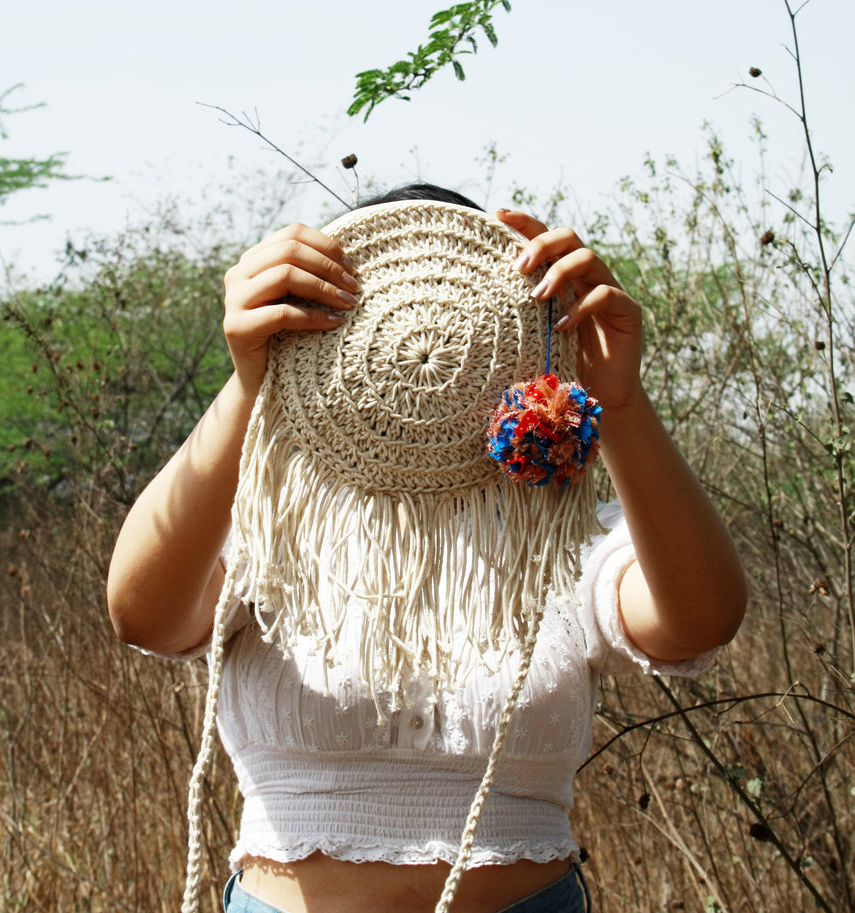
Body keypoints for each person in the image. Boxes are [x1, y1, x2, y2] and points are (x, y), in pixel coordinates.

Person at [107, 184, 747, 913]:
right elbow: (142, 613)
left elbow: (701, 618)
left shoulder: (558, 540)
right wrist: (248, 382)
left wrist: (620, 403)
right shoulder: (273, 527)